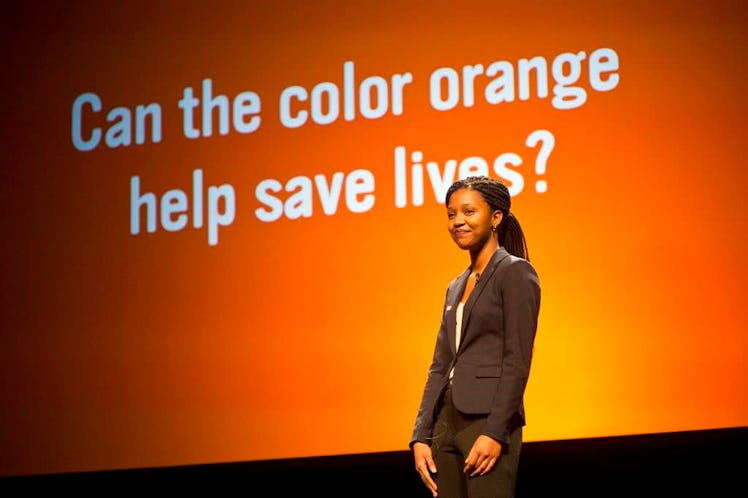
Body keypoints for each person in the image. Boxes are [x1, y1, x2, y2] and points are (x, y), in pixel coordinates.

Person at [410, 175, 541, 498]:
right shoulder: (455, 286)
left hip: (487, 420)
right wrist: (420, 436)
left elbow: (517, 360)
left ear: (496, 217)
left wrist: (496, 432)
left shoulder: (515, 273)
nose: (458, 222)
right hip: (446, 422)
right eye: (451, 214)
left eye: (468, 212)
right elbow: (439, 366)